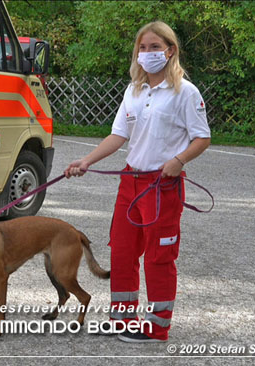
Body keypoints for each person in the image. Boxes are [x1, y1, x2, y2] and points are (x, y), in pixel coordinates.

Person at [64, 21, 211, 343]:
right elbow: (119, 135)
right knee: (123, 252)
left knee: (159, 257)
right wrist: (87, 161)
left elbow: (202, 138)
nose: (147, 53)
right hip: (130, 182)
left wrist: (178, 161)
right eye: (142, 48)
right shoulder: (135, 91)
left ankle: (158, 327)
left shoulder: (185, 92)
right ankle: (123, 319)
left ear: (170, 50)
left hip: (162, 186)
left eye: (155, 47)